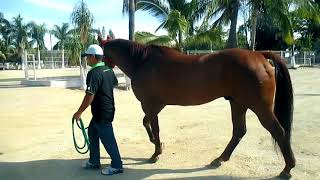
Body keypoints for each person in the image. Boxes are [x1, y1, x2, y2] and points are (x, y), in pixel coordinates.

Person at [73, 44, 123, 175]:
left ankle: (117, 165)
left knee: (108, 139)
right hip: (106, 110)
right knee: (93, 133)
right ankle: (94, 161)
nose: (87, 60)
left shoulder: (93, 73)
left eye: (88, 57)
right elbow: (114, 83)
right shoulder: (108, 70)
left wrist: (79, 113)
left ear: (94, 57)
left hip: (101, 113)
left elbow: (89, 96)